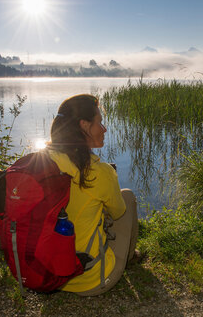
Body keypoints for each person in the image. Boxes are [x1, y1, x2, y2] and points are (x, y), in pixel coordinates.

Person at [47, 93, 138, 296]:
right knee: (127, 197)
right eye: (100, 123)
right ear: (84, 126)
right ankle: (130, 258)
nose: (104, 129)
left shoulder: (41, 161)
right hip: (89, 279)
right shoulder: (99, 171)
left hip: (45, 273)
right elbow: (118, 213)